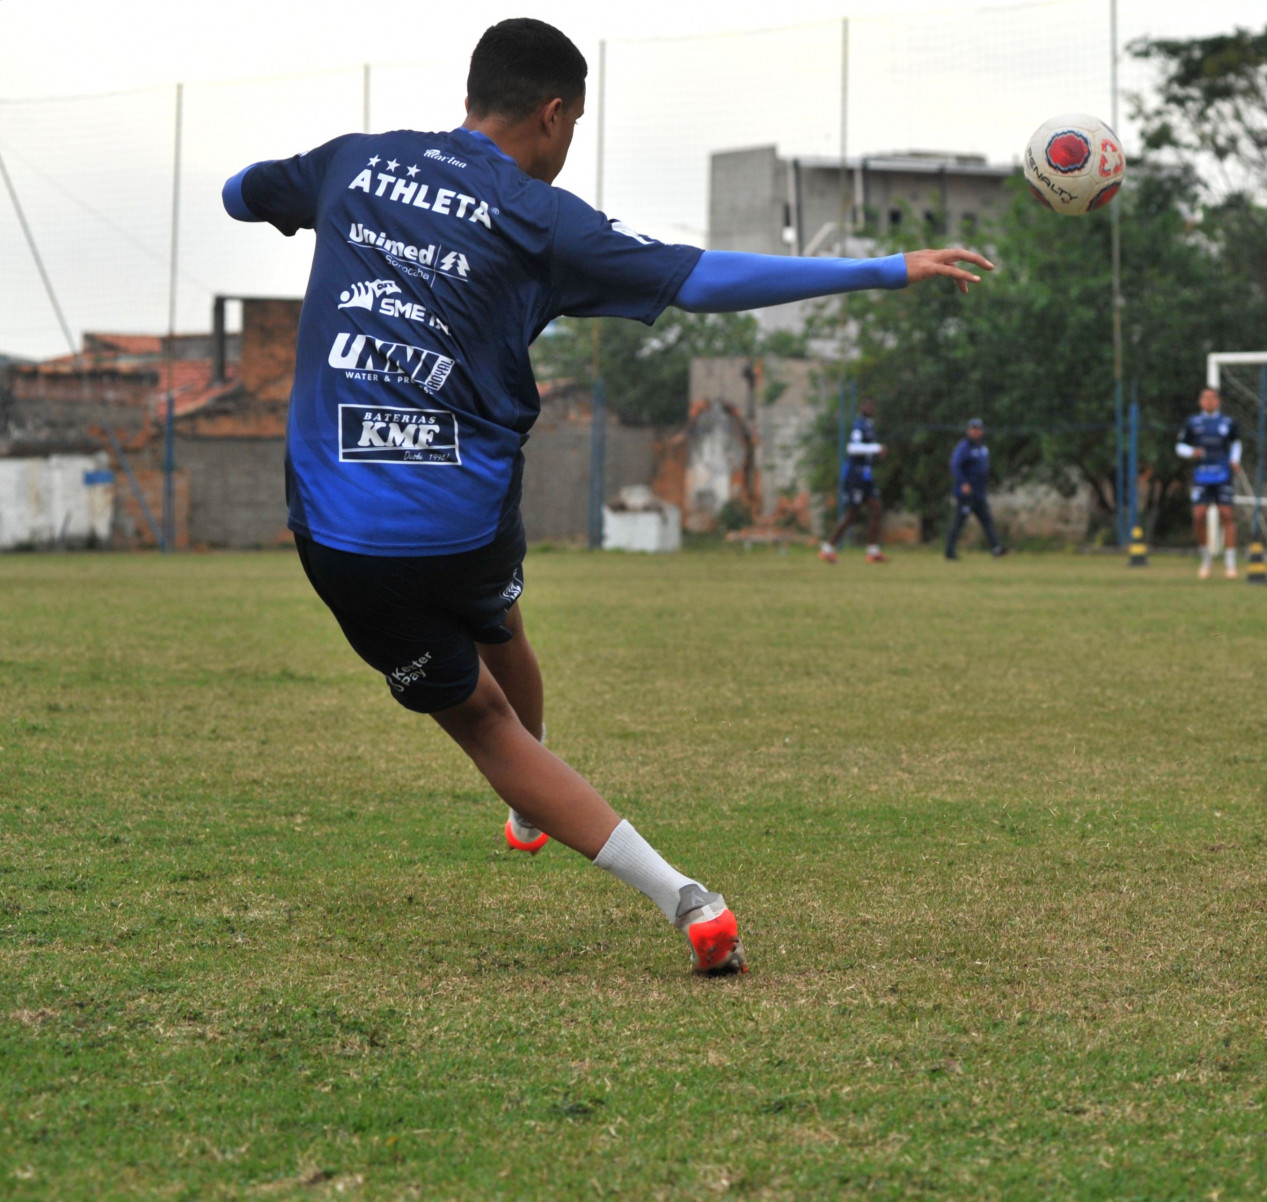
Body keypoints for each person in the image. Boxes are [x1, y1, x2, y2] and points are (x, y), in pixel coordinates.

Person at [220, 18, 992, 974]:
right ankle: (546, 808)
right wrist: (886, 269)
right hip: (464, 514)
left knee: (483, 725)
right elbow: (704, 280)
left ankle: (685, 900)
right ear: (551, 114)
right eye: (575, 124)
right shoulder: (544, 220)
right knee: (499, 625)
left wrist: (267, 196)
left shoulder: (353, 162)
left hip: (340, 529)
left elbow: (242, 192)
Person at [1177, 387, 1242, 580]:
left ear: (1219, 401)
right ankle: (1206, 559)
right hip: (1202, 475)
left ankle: (1230, 563)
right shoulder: (1193, 423)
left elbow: (1236, 443)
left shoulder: (1228, 423)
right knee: (1198, 516)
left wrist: (1235, 460)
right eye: (1205, 397)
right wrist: (1191, 453)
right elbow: (1180, 446)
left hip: (1223, 474)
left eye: (1213, 398)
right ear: (1200, 401)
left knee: (1226, 514)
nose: (1209, 401)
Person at [821, 399, 885, 563]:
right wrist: (876, 448)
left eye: (872, 405)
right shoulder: (859, 426)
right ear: (861, 408)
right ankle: (827, 548)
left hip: (866, 476)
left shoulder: (870, 426)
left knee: (877, 509)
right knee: (851, 514)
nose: (870, 408)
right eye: (867, 405)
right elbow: (853, 448)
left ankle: (872, 551)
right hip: (855, 476)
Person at [944, 417, 1003, 559]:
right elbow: (955, 466)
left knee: (986, 521)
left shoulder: (982, 447)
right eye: (973, 429)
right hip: (966, 493)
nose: (976, 432)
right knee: (958, 522)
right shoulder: (964, 447)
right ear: (969, 431)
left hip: (979, 493)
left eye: (978, 429)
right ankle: (949, 551)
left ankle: (996, 548)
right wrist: (963, 483)